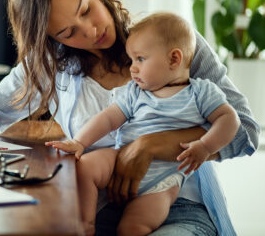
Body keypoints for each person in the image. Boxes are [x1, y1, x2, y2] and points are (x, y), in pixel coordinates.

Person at [0, 0, 260, 235]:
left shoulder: (172, 43)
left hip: (177, 204)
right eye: (69, 32)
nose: (91, 31)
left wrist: (149, 146)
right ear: (55, 40)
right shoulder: (54, 65)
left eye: (86, 9)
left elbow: (245, 133)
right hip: (95, 207)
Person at [45, 12, 240, 235]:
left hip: (162, 181)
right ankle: (85, 226)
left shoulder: (200, 92)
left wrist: (206, 146)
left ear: (174, 59)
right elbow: (108, 118)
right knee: (85, 166)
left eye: (140, 59)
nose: (132, 68)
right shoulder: (136, 92)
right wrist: (79, 142)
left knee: (132, 227)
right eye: (131, 60)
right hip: (121, 160)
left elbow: (229, 119)